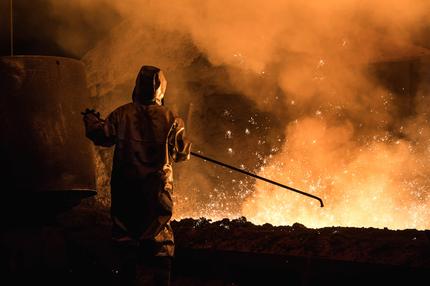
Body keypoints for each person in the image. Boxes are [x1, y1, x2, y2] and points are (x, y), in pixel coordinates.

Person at [82, 65, 191, 286]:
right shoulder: (172, 119)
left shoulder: (122, 114)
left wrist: (92, 120)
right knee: (159, 237)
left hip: (126, 188)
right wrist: (185, 145)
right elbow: (180, 154)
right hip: (157, 189)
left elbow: (101, 136)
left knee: (125, 238)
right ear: (161, 89)